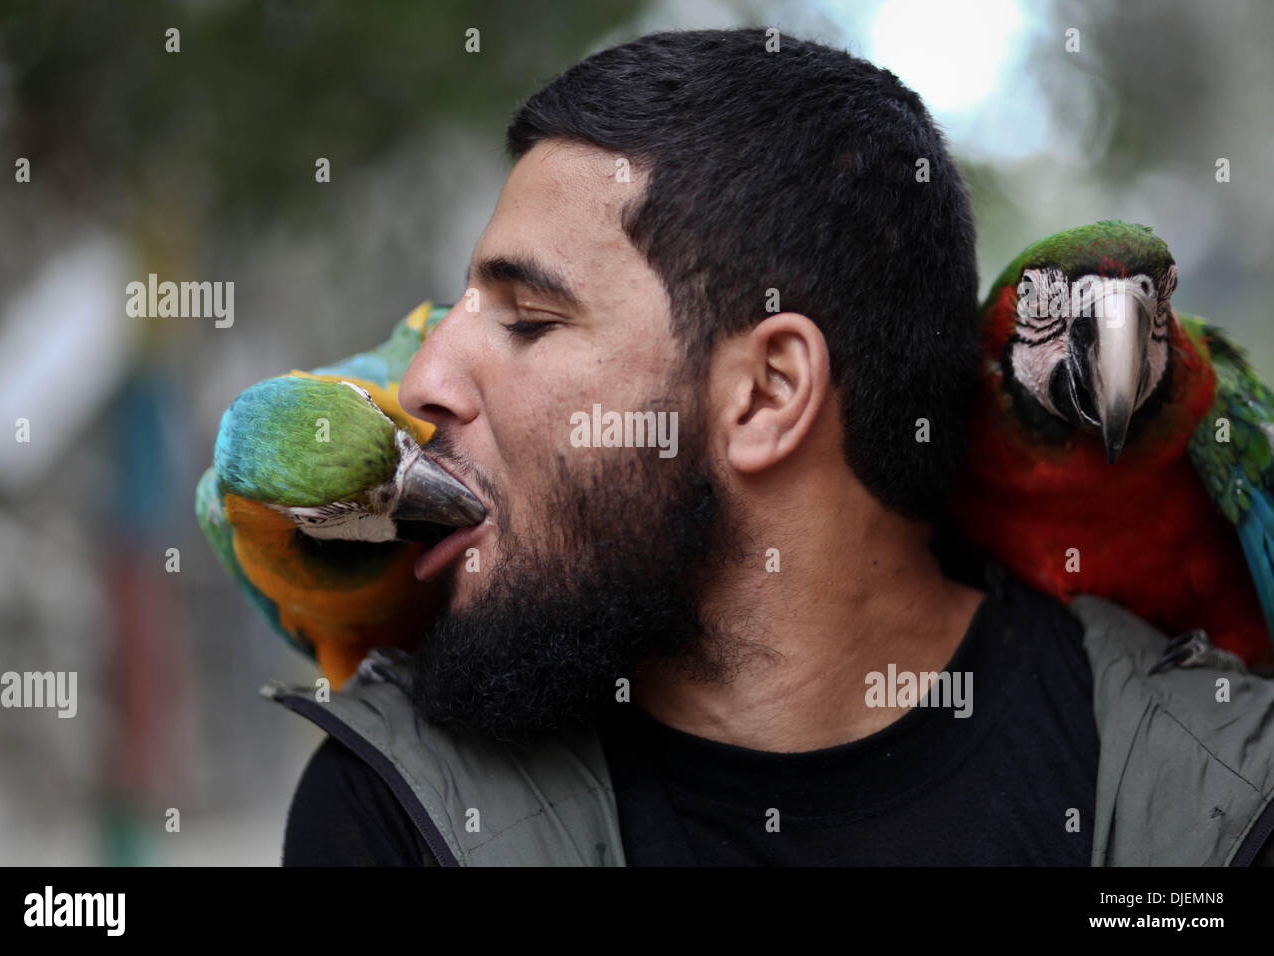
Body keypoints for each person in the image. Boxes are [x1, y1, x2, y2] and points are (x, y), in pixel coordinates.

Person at [272, 28, 1274, 866]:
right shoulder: (398, 813)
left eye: (528, 317)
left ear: (765, 393)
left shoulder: (1219, 804)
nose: (419, 382)